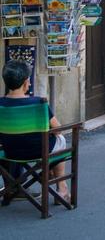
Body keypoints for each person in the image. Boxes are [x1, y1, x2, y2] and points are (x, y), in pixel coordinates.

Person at [0, 59, 71, 202]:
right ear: (26, 82)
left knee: (15, 139)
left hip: (10, 152)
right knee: (60, 140)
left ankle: (12, 187)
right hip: (40, 151)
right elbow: (57, 128)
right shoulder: (38, 103)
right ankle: (62, 188)